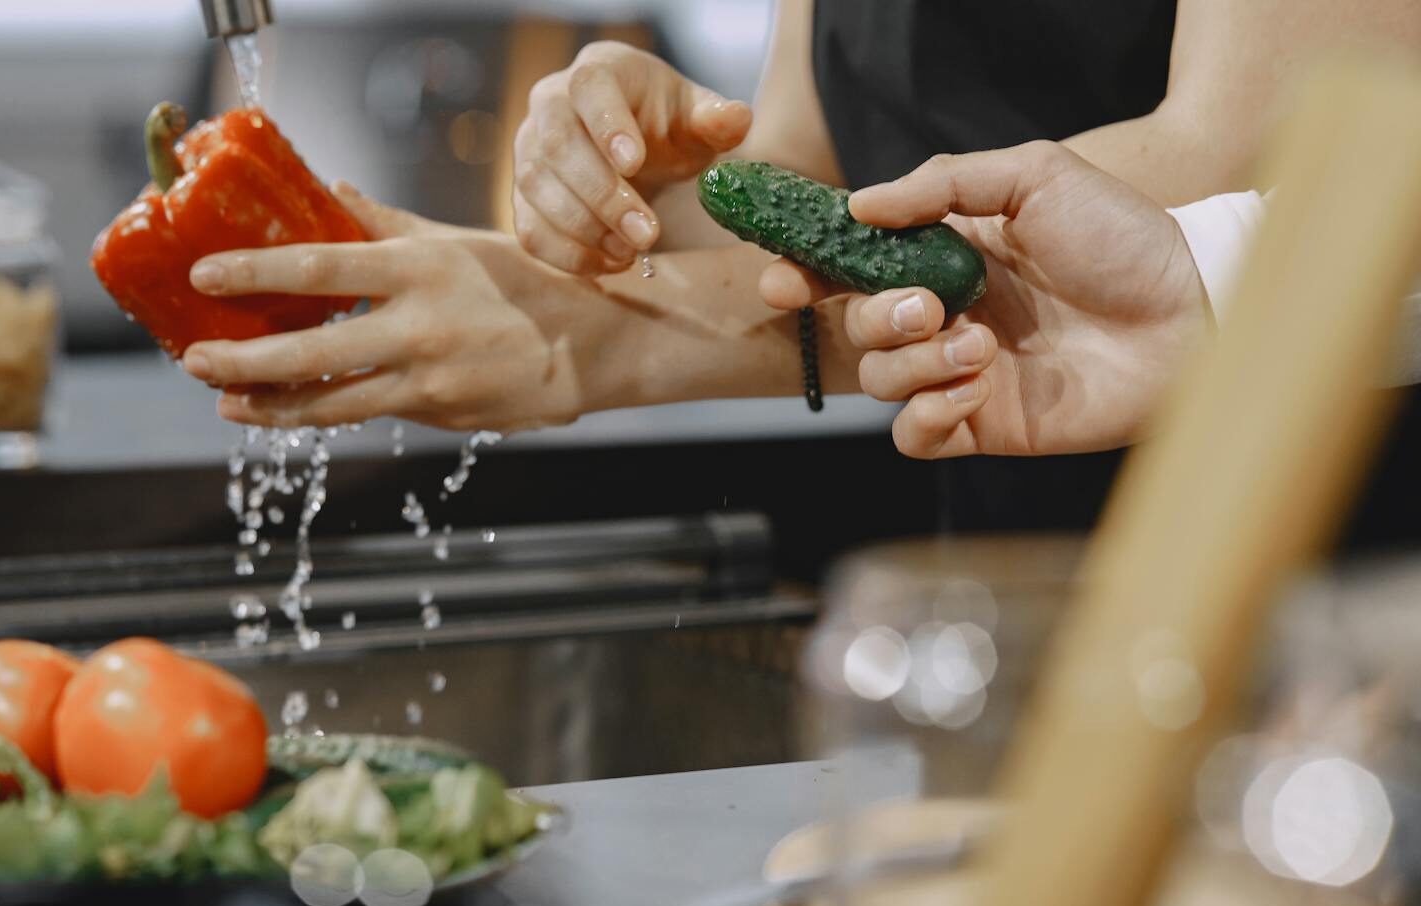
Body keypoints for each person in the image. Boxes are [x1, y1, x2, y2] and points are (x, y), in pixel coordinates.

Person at [179, 0, 1419, 523]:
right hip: (997, 505)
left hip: (1283, 530)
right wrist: (655, 189)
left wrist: (606, 332)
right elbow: (808, 175)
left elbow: (1223, 183)